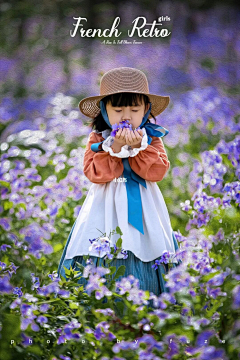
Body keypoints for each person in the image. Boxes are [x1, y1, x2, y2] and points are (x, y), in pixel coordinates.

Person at [57, 67, 180, 300]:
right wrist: (114, 149)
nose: (126, 116)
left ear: (146, 110)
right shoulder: (98, 138)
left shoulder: (152, 136)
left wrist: (136, 149)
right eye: (118, 109)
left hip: (145, 206)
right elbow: (93, 173)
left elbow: (157, 172)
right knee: (101, 242)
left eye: (134, 109)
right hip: (104, 205)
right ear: (104, 111)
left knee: (148, 243)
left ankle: (148, 307)